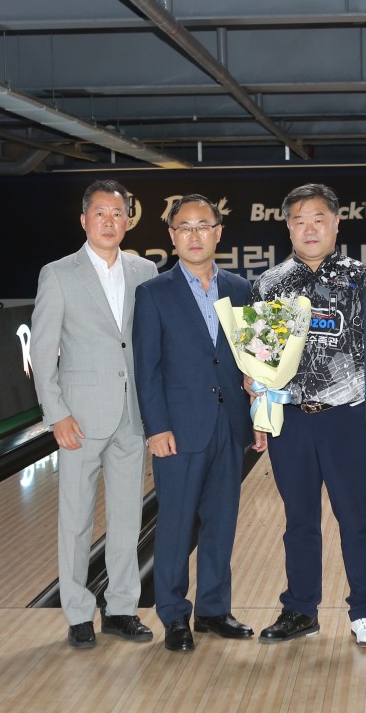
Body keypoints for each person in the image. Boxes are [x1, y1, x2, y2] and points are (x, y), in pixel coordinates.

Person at [252, 183, 366, 648]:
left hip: (346, 418)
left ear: (335, 223)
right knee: (299, 520)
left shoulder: (364, 279)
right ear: (288, 227)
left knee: (356, 517)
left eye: (318, 219)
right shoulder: (270, 284)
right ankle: (300, 609)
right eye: (299, 221)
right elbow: (261, 358)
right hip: (290, 419)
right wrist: (257, 396)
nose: (309, 229)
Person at [30, 179, 157, 648]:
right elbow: (42, 351)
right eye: (100, 213)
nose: (109, 221)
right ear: (84, 220)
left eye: (118, 213)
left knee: (127, 519)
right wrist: (56, 413)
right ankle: (79, 614)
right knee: (76, 520)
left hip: (132, 413)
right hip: (80, 418)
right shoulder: (58, 273)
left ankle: (122, 608)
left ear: (128, 221)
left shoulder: (145, 270)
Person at [132, 194, 256, 652]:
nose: (194, 234)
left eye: (203, 225)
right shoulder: (154, 293)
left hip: (229, 424)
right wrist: (156, 427)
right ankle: (174, 615)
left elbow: (252, 361)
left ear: (218, 232)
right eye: (184, 227)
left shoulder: (241, 289)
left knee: (221, 523)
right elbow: (147, 369)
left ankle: (213, 610)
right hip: (179, 429)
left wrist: (257, 413)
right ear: (172, 236)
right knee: (176, 525)